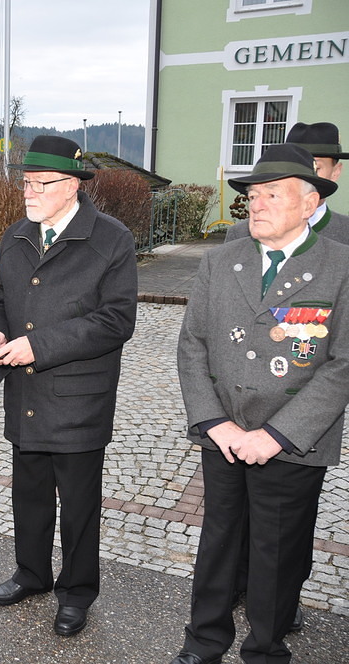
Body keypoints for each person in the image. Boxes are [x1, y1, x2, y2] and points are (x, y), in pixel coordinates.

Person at [171, 144, 349, 664]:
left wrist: (275, 435)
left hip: (293, 442)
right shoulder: (221, 261)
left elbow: (341, 363)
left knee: (275, 555)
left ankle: (265, 651)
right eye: (253, 195)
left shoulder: (340, 264)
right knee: (218, 543)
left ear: (309, 201)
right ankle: (202, 643)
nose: (258, 203)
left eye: (273, 194)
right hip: (225, 435)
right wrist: (216, 424)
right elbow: (192, 345)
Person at [0, 135, 137, 636]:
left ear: (71, 185)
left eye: (40, 185)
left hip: (78, 399)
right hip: (24, 394)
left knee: (79, 506)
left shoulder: (111, 239)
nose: (28, 193)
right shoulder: (17, 234)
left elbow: (116, 321)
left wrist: (38, 346)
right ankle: (31, 573)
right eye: (25, 183)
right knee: (29, 496)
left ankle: (76, 592)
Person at [226, 121, 348, 244]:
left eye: (315, 167)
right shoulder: (241, 234)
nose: (302, 176)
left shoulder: (344, 233)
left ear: (335, 172)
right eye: (292, 167)